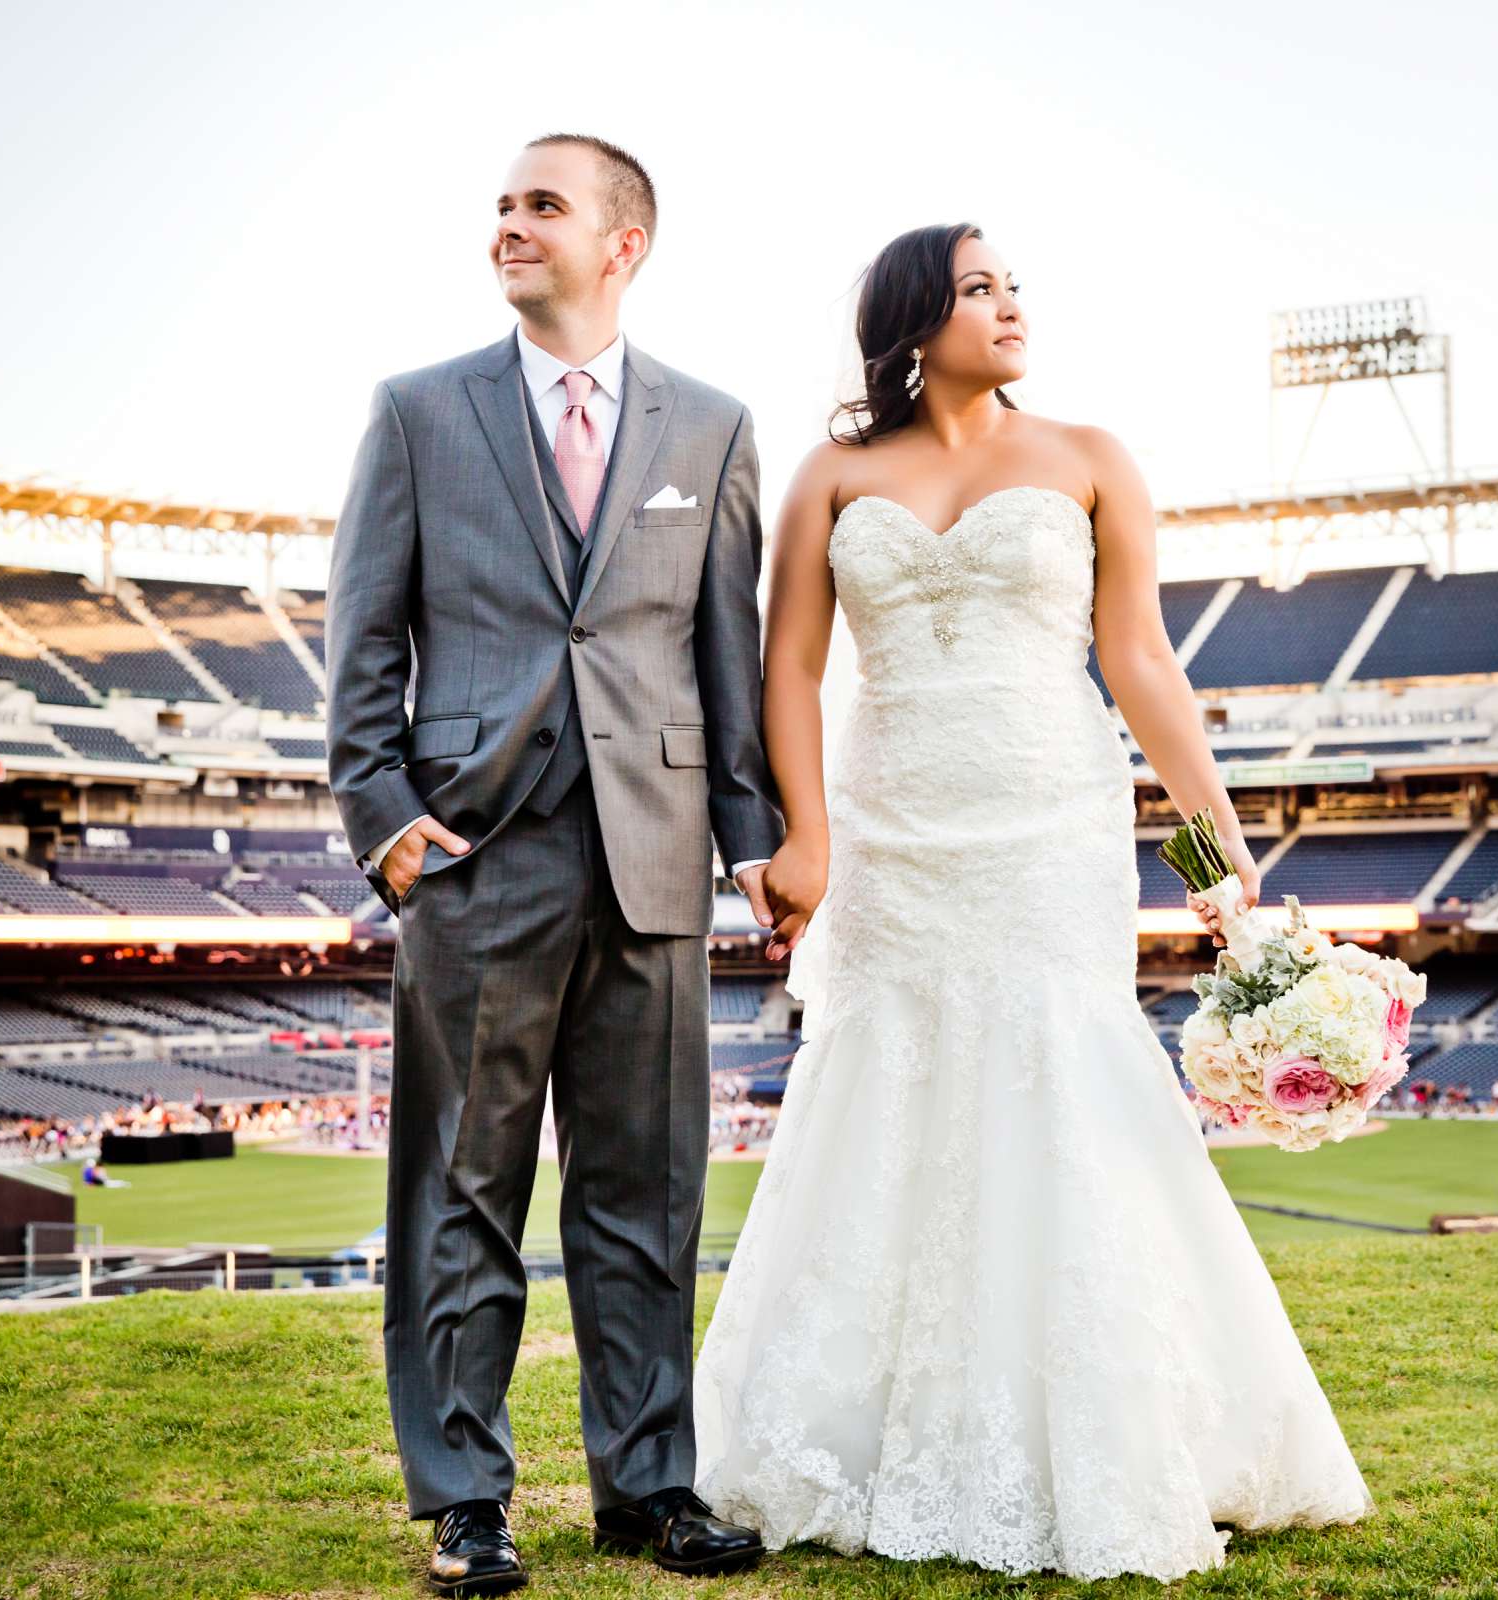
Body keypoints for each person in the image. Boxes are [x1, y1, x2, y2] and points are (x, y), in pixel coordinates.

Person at [692, 223, 1372, 1582]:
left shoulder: (1089, 459)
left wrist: (1218, 842)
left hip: (1052, 821)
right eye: (979, 287)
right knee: (886, 1088)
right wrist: (806, 838)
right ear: (910, 322)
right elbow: (788, 675)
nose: (1009, 305)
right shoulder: (833, 473)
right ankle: (863, 1439)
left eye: (1014, 285)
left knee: (1064, 1087)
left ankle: (1107, 1436)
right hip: (891, 828)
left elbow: (1140, 659)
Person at [325, 133, 783, 1595]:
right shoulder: (414, 414)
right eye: (503, 205)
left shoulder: (710, 428)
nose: (509, 225)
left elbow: (725, 648)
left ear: (622, 242)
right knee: (463, 1190)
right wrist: (384, 816)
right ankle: (466, 1501)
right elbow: (364, 641)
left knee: (646, 1195)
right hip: (476, 861)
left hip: (656, 864)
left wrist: (755, 842)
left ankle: (649, 1492)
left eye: (542, 204)